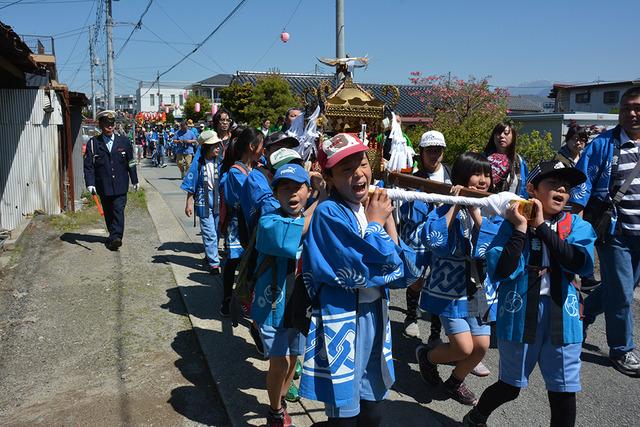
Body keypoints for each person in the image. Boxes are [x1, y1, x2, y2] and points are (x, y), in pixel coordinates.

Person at [463, 160, 595, 427]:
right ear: (532, 189)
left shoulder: (576, 225)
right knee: (510, 386)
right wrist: (522, 229)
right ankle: (477, 416)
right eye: (553, 183)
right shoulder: (511, 224)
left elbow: (577, 261)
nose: (562, 190)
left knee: (563, 392)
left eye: (566, 187)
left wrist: (543, 228)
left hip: (563, 315)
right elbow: (501, 269)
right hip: (521, 312)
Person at [299, 133, 418, 426]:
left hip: (375, 316)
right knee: (345, 414)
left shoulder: (370, 208)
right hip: (343, 318)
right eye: (346, 169)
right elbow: (361, 271)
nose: (358, 174)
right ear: (329, 176)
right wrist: (377, 223)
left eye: (362, 164)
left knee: (373, 407)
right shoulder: (329, 213)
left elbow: (405, 271)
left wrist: (388, 221)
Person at [415, 152, 502, 406]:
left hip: (476, 287)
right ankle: (427, 357)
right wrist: (454, 203)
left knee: (482, 345)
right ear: (462, 177)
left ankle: (455, 381)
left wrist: (477, 214)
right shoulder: (444, 205)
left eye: (487, 174)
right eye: (477, 174)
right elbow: (434, 241)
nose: (483, 180)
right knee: (463, 347)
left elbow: (494, 247)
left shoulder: (491, 208)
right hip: (449, 289)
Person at [570, 86, 640, 377]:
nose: (632, 113)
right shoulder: (603, 145)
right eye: (626, 108)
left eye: (637, 108)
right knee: (623, 294)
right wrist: (574, 230)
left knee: (617, 289)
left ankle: (582, 316)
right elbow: (580, 186)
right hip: (614, 232)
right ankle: (621, 349)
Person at [253, 163, 319, 427]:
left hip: (301, 303)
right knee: (278, 361)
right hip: (273, 305)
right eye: (285, 189)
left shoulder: (315, 217)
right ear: (276, 194)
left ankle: (279, 398)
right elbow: (295, 232)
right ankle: (275, 410)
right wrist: (320, 199)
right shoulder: (268, 220)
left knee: (295, 357)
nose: (292, 195)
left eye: (298, 188)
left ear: (307, 190)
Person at [400, 130, 452, 340]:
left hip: (444, 232)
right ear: (421, 153)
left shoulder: (451, 174)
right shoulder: (412, 178)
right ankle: (411, 316)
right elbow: (405, 212)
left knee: (439, 282)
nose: (434, 155)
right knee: (416, 278)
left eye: (438, 150)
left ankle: (435, 332)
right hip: (419, 234)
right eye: (430, 150)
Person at [219, 127, 264, 317]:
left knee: (251, 262)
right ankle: (228, 299)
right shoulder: (236, 172)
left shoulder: (254, 167)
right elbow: (252, 194)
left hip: (251, 223)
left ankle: (246, 298)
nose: (264, 150)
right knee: (234, 260)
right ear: (253, 147)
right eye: (262, 146)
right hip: (238, 224)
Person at [83, 110, 139, 251]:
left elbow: (131, 162)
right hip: (104, 185)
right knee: (108, 212)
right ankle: (112, 234)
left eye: (112, 124)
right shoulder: (94, 143)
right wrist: (90, 183)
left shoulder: (124, 141)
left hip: (121, 185)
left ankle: (116, 237)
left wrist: (135, 180)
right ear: (101, 125)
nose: (110, 127)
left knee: (118, 210)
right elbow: (89, 166)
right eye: (107, 124)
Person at [182, 130, 223, 274]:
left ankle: (209, 254)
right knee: (209, 232)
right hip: (203, 200)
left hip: (218, 200)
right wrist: (188, 202)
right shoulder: (198, 164)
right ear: (206, 147)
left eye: (218, 144)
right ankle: (214, 263)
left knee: (217, 231)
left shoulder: (220, 162)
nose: (218, 147)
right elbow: (191, 183)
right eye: (214, 145)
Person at [484, 121, 529, 198]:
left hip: (511, 206)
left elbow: (524, 187)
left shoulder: (519, 162)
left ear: (513, 137)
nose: (501, 136)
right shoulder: (483, 158)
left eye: (506, 133)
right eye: (498, 133)